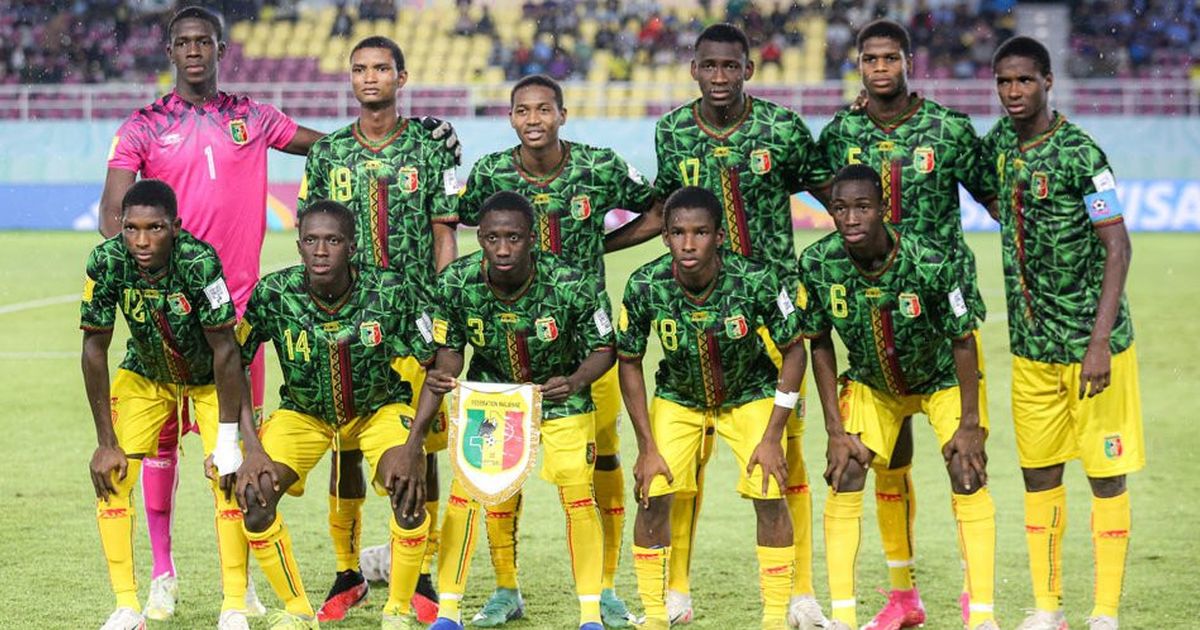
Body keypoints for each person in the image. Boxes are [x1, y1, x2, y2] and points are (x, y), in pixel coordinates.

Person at [98, 7, 321, 618]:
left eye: (204, 41)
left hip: (238, 321)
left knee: (230, 456)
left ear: (221, 48)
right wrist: (161, 275)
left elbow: (323, 147)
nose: (194, 50)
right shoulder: (144, 126)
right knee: (161, 450)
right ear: (170, 51)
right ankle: (163, 575)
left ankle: (238, 582)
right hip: (168, 322)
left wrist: (386, 139)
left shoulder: (252, 116)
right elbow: (111, 216)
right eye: (183, 42)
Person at [450, 73, 661, 628]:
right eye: (524, 110)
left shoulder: (599, 165)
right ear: (511, 117)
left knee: (604, 460)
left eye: (545, 109)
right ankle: (505, 587)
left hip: (585, 342)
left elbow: (660, 210)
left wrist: (602, 244)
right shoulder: (492, 172)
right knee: (500, 470)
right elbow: (451, 216)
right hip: (504, 345)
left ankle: (606, 588)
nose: (535, 119)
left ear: (563, 114)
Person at [814, 19, 997, 629]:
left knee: (962, 461)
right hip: (872, 326)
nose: (880, 68)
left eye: (891, 57)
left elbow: (995, 198)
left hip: (938, 318)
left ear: (910, 60)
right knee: (886, 462)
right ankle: (902, 596)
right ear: (859, 66)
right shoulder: (842, 130)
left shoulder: (947, 129)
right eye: (869, 59)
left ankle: (979, 602)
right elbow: (830, 193)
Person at [652, 22, 830, 628]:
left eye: (732, 66)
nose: (721, 77)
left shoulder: (781, 129)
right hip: (697, 304)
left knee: (786, 458)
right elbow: (664, 210)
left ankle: (801, 593)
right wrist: (592, 246)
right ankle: (674, 591)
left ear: (749, 69)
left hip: (771, 308)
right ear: (694, 69)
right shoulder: (671, 131)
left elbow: (831, 189)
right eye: (710, 66)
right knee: (685, 463)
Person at [295, 34, 460, 624]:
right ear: (350, 78)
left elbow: (445, 230)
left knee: (424, 448)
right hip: (344, 320)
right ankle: (347, 569)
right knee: (345, 442)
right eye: (360, 69)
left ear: (402, 76)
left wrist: (446, 307)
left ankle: (423, 570)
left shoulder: (429, 146)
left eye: (381, 69)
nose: (370, 78)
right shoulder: (329, 152)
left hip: (414, 318)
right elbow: (312, 235)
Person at [985, 37, 1143, 630]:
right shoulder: (1000, 144)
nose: (1013, 93)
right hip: (1031, 352)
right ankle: (1047, 608)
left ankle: (1104, 612)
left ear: (1048, 81)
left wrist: (1098, 341)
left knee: (1106, 475)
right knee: (1039, 475)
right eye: (1004, 82)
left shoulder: (1083, 153)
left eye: (1024, 81)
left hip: (1093, 351)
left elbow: (1118, 246)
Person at [404, 192, 615, 630]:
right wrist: (445, 373)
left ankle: (591, 615)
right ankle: (449, 612)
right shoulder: (456, 283)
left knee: (578, 498)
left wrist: (576, 380)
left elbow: (604, 347)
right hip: (492, 396)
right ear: (478, 238)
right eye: (493, 238)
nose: (503, 249)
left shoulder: (572, 282)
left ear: (532, 238)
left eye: (514, 238)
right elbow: (449, 350)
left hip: (561, 393)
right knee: (468, 494)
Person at [232, 200, 438, 630]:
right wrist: (249, 445)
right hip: (304, 415)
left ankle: (397, 610)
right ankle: (297, 610)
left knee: (407, 488)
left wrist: (415, 443)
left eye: (332, 241)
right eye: (311, 240)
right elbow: (231, 362)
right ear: (299, 245)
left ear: (353, 245)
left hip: (379, 409)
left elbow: (437, 362)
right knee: (254, 495)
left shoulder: (390, 291)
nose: (321, 250)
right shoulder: (274, 293)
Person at [617, 186, 807, 630]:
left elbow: (794, 351)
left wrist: (773, 433)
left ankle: (775, 619)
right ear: (664, 236)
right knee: (653, 493)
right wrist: (646, 445)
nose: (688, 244)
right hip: (679, 398)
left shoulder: (756, 279)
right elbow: (628, 360)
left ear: (720, 236)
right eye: (678, 233)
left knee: (769, 490)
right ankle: (656, 615)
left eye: (700, 232)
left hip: (750, 394)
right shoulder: (645, 284)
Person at [81, 180, 254, 630]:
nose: (141, 241)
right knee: (112, 476)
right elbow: (94, 349)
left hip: (208, 380)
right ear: (119, 227)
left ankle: (235, 603)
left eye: (155, 228)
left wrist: (231, 440)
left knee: (229, 479)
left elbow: (226, 350)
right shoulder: (106, 261)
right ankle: (126, 606)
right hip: (146, 374)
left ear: (176, 227)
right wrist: (105, 441)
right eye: (131, 229)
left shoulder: (199, 261)